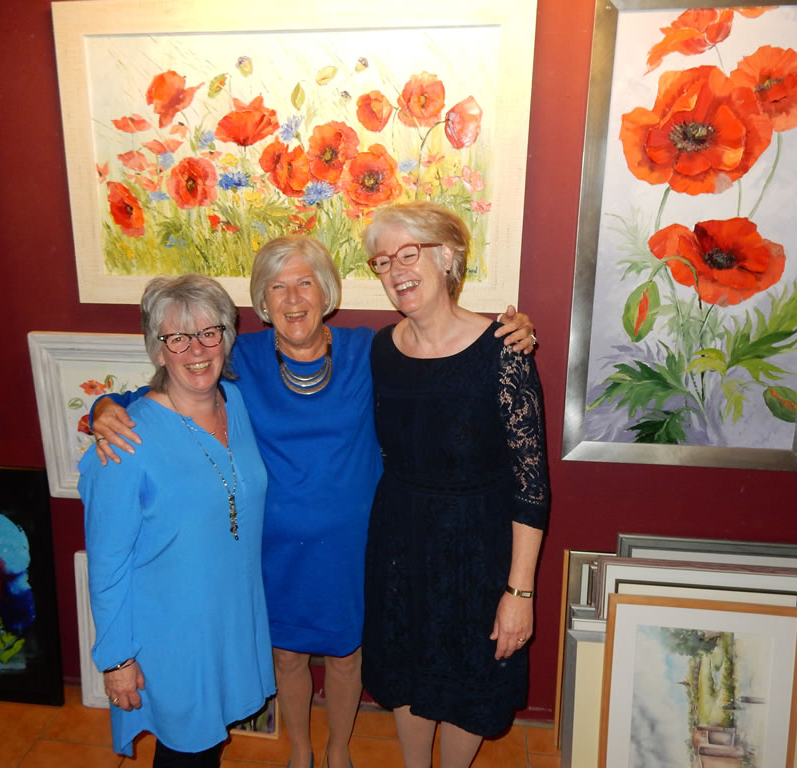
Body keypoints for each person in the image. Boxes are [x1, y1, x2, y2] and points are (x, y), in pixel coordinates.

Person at [91, 235, 535, 768]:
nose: (293, 298)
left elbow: (440, 364)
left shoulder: (370, 351)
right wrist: (105, 406)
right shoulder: (239, 357)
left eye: (305, 282)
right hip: (276, 548)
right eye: (277, 287)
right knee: (287, 656)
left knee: (347, 656)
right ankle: (300, 750)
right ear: (262, 301)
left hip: (355, 544)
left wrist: (508, 334)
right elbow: (171, 382)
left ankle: (337, 748)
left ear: (326, 292)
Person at [360, 201, 550, 768]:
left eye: (407, 254)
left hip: (478, 551)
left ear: (446, 256)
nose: (395, 271)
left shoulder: (504, 349)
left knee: (471, 675)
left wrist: (519, 593)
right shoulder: (380, 350)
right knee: (407, 667)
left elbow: (532, 486)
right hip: (400, 544)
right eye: (382, 261)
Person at [79, 274, 274, 768]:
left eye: (208, 332)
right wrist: (117, 659)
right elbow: (107, 565)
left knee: (207, 747)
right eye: (178, 338)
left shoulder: (236, 403)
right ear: (158, 349)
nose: (196, 349)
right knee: (187, 751)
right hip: (170, 633)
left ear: (226, 337)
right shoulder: (124, 442)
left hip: (227, 618)